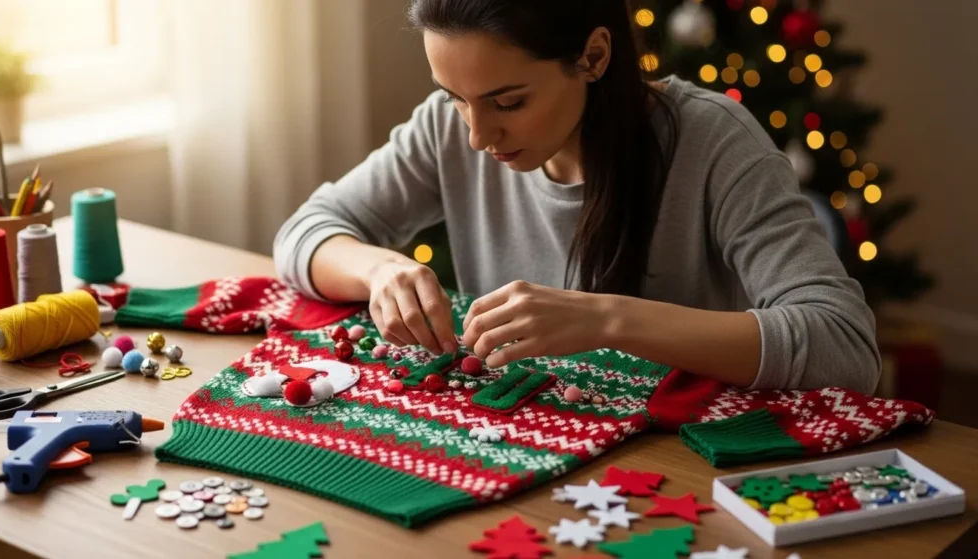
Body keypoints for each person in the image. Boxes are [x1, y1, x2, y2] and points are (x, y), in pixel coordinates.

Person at [273, 0, 880, 394]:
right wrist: (381, 269)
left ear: (593, 56)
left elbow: (844, 347)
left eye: (509, 102)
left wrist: (607, 319)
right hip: (522, 446)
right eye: (456, 96)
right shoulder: (445, 127)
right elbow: (305, 232)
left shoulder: (714, 141)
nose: (477, 135)